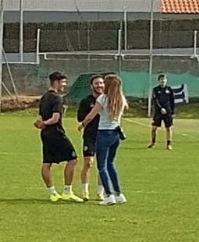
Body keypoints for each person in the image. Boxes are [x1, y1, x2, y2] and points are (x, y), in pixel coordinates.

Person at [33, 71, 83, 203]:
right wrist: (44, 123)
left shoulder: (44, 97)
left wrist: (40, 124)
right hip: (56, 133)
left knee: (47, 163)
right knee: (73, 159)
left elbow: (40, 117)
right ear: (56, 82)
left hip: (45, 134)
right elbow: (55, 118)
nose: (65, 85)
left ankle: (52, 192)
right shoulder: (57, 98)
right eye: (63, 82)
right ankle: (67, 191)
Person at [80, 71, 128, 205]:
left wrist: (83, 124)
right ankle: (118, 194)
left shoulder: (102, 99)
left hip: (104, 133)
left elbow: (91, 115)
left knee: (102, 166)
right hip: (116, 134)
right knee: (111, 164)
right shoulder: (121, 98)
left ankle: (108, 195)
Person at [75, 76, 105, 201]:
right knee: (88, 163)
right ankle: (85, 191)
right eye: (97, 83)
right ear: (91, 86)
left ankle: (100, 192)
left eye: (101, 83)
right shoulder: (86, 101)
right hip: (90, 135)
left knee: (102, 165)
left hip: (104, 135)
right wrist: (93, 112)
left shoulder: (107, 99)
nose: (99, 85)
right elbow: (80, 118)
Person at [150, 74, 176, 150]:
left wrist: (173, 112)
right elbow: (156, 100)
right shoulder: (155, 89)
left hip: (168, 112)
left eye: (164, 79)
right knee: (154, 128)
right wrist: (161, 108)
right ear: (159, 81)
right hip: (158, 112)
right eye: (161, 79)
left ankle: (168, 144)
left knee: (168, 128)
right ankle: (153, 142)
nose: (163, 81)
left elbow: (172, 101)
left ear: (166, 80)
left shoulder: (169, 89)